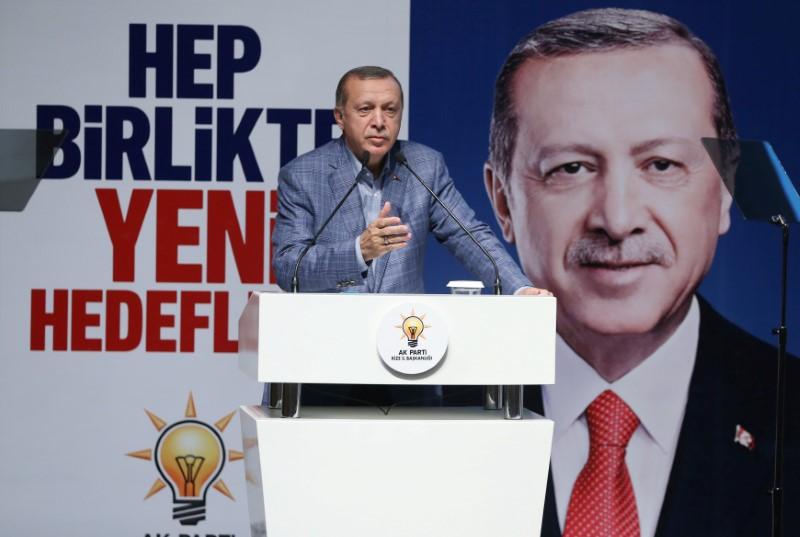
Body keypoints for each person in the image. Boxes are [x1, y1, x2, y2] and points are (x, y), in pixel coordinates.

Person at [483, 8, 799, 537]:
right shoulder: (412, 418)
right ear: (503, 203)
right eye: (571, 168)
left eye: (661, 165)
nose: (618, 219)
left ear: (725, 191)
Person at [271, 65, 549, 406]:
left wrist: (518, 288)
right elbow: (289, 268)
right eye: (365, 109)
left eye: (390, 110)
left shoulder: (423, 165)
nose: (379, 121)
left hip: (408, 359)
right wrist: (359, 251)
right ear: (340, 117)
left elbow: (468, 235)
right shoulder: (303, 175)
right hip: (327, 362)